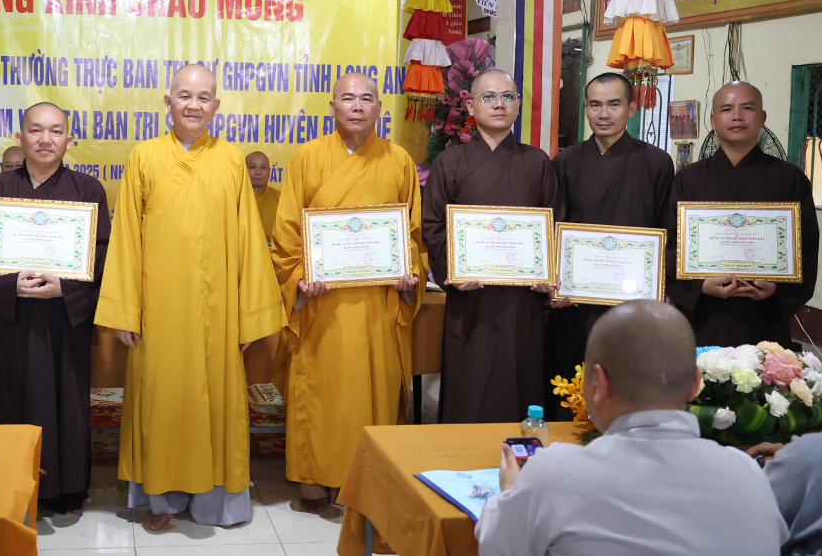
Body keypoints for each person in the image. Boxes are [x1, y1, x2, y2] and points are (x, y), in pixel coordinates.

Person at [95, 63, 285, 530]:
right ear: (168, 101)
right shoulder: (143, 156)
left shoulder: (231, 159)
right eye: (184, 96)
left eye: (203, 98)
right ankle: (161, 501)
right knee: (161, 399)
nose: (193, 105)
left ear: (216, 105)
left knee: (214, 403)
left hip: (219, 311)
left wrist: (247, 316)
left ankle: (214, 506)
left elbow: (249, 239)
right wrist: (127, 310)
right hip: (158, 309)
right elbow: (125, 239)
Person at [476, 299, 787, 556]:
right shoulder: (749, 476)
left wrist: (510, 493)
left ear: (598, 383)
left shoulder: (557, 474)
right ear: (696, 383)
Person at [271, 72, 425, 513]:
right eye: (348, 98)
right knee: (322, 394)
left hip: (378, 305)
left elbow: (412, 234)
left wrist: (409, 274)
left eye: (367, 98)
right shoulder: (307, 157)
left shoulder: (398, 160)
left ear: (379, 108)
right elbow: (287, 231)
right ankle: (314, 484)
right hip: (323, 305)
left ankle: (367, 482)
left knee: (372, 394)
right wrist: (300, 280)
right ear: (332, 107)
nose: (357, 106)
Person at [0, 102, 110, 515]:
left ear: (69, 139)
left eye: (55, 131)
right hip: (12, 322)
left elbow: (102, 257)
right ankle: (6, 485)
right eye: (36, 130)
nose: (45, 139)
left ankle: (64, 489)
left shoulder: (88, 191)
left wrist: (65, 288)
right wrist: (9, 285)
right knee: (8, 398)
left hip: (64, 323)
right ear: (20, 136)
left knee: (64, 403)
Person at [423, 69, 562, 423]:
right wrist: (453, 273)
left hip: (522, 302)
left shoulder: (537, 162)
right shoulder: (449, 162)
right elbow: (433, 224)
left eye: (507, 96)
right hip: (470, 299)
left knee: (519, 383)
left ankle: (520, 451)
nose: (499, 104)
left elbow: (555, 224)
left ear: (518, 104)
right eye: (488, 97)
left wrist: (549, 273)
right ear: (471, 105)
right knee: (469, 387)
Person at [545, 73, 674, 417]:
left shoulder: (656, 163)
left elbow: (667, 229)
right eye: (595, 104)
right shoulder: (565, 162)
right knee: (571, 384)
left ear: (631, 108)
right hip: (575, 302)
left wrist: (660, 284)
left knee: (628, 386)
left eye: (614, 104)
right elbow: (554, 227)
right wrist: (554, 281)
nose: (604, 114)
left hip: (633, 302)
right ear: (586, 108)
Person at [666, 82, 819, 347]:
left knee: (763, 369)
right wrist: (699, 286)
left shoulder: (790, 179)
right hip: (703, 314)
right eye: (727, 109)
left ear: (763, 118)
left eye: (747, 108)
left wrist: (778, 288)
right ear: (713, 120)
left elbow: (806, 247)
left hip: (763, 315)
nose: (737, 116)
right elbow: (671, 242)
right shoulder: (689, 178)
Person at [749, 431, 822, 556]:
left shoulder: (812, 453)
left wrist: (798, 459)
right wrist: (794, 459)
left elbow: (748, 524)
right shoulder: (811, 453)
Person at [246, 150, 280, 245]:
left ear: (269, 172)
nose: (258, 172)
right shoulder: (233, 198)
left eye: (263, 167)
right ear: (243, 170)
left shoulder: (280, 199)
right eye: (252, 167)